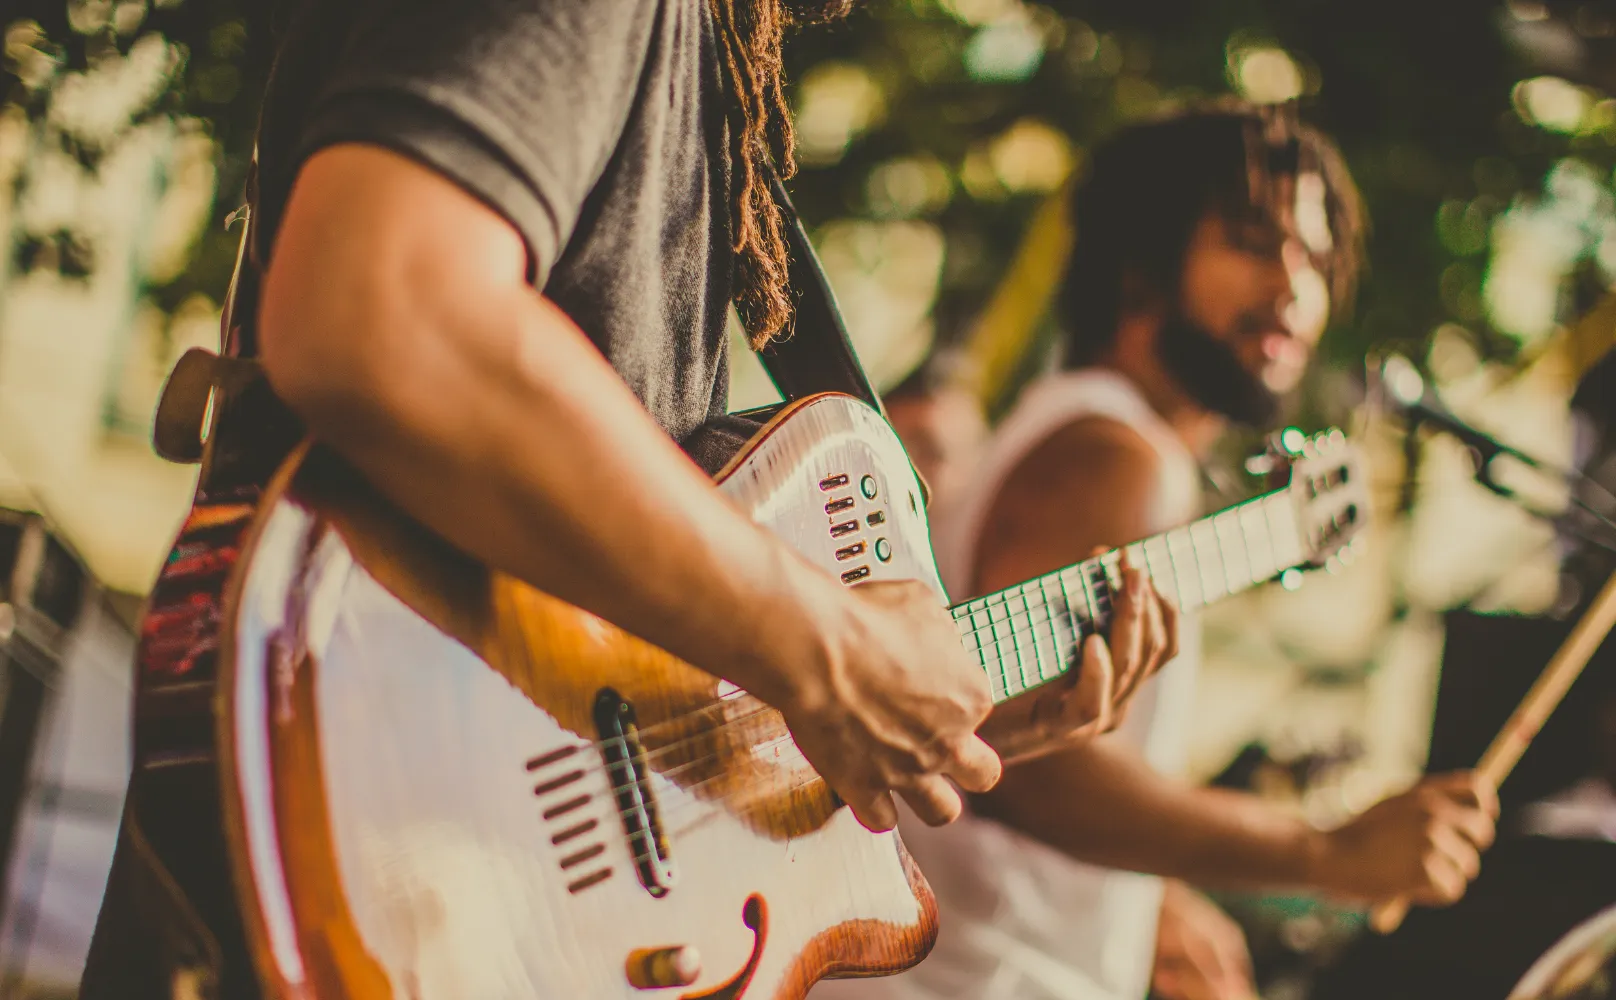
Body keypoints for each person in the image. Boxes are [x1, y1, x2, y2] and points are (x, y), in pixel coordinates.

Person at [78, 2, 1175, 998]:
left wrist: (905, 713)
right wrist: (825, 644)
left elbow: (608, 633)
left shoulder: (705, 54)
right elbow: (383, 305)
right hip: (373, 853)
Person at [821, 103, 1499, 1000]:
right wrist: (1325, 854)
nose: (1295, 286)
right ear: (1143, 263)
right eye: (1252, 242)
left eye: (1314, 255)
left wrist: (1157, 895)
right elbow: (1026, 771)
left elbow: (1023, 738)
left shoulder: (1087, 428)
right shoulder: (1118, 452)